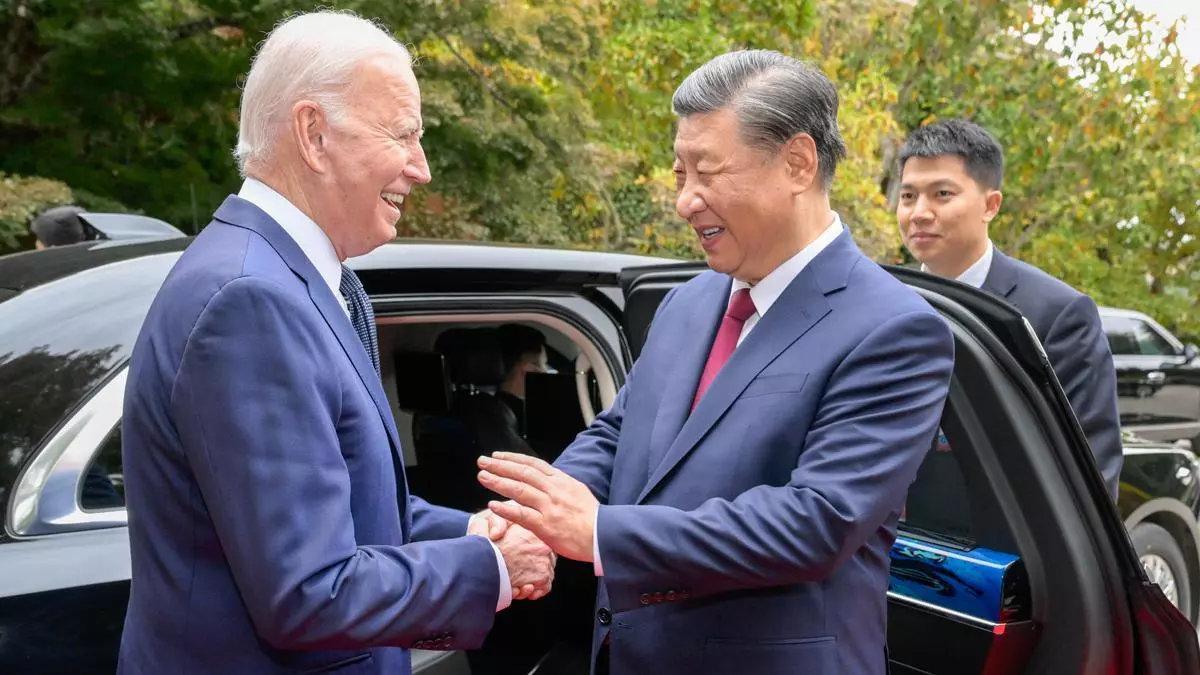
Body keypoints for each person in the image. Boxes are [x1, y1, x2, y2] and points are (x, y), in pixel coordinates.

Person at [476, 50, 955, 675]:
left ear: (798, 163)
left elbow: (815, 522)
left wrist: (597, 532)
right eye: (680, 175)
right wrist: (536, 515)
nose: (686, 201)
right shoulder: (688, 302)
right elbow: (624, 433)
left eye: (707, 172)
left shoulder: (893, 329)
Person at [119, 11, 554, 674]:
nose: (422, 168)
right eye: (402, 135)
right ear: (314, 135)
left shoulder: (313, 282)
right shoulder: (251, 302)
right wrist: (491, 565)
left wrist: (469, 529)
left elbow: (356, 504)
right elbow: (307, 593)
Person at [895, 118, 1122, 498]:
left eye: (942, 194)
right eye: (908, 196)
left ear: (991, 205)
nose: (919, 212)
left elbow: (1091, 472)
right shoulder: (885, 296)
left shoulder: (1058, 314)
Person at [496, 323, 549, 436]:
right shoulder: (531, 418)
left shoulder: (488, 409)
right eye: (543, 364)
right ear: (528, 368)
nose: (545, 372)